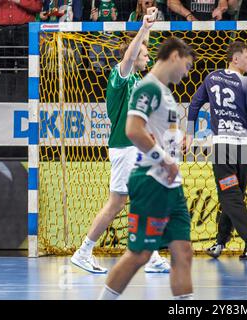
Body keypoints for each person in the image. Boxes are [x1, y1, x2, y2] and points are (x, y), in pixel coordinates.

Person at [71, 8, 170, 274]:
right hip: (125, 149)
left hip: (132, 149)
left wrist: (148, 27)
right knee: (119, 202)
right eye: (145, 55)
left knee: (139, 199)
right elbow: (130, 55)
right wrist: (141, 28)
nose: (148, 59)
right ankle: (85, 251)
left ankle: (147, 257)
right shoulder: (120, 75)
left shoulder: (137, 78)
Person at [98, 36, 196, 300]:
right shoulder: (148, 88)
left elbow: (158, 131)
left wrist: (178, 141)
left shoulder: (164, 91)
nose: (186, 74)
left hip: (171, 184)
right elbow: (132, 129)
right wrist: (163, 158)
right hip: (151, 179)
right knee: (139, 254)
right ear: (174, 56)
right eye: (186, 67)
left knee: (183, 252)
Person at [187, 41, 247, 261]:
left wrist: (190, 133)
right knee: (234, 196)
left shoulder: (211, 77)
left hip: (223, 147)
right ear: (235, 58)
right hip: (243, 148)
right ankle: (225, 241)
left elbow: (194, 104)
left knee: (230, 196)